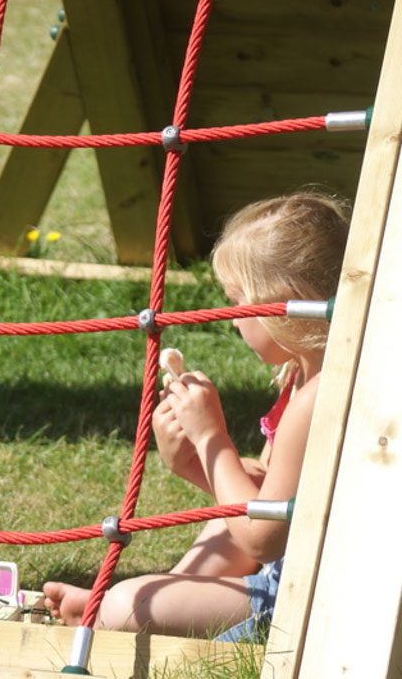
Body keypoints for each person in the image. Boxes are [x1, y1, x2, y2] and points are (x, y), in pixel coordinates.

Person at [41, 191, 351, 641]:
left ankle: (133, 612)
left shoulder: (318, 397)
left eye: (237, 300)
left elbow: (263, 538)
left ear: (284, 303)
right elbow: (264, 491)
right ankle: (170, 596)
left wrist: (211, 439)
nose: (232, 318)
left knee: (133, 604)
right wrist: (191, 461)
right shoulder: (300, 378)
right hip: (293, 557)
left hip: (307, 591)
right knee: (229, 500)